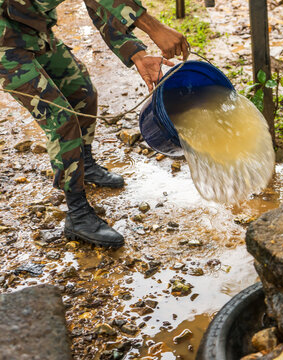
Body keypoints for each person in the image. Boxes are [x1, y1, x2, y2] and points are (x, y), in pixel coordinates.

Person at [0, 0, 189, 247]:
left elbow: (100, 7)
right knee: (62, 121)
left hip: (34, 30)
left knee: (83, 93)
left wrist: (138, 55)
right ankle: (77, 213)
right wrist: (154, 27)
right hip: (5, 42)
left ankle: (85, 165)